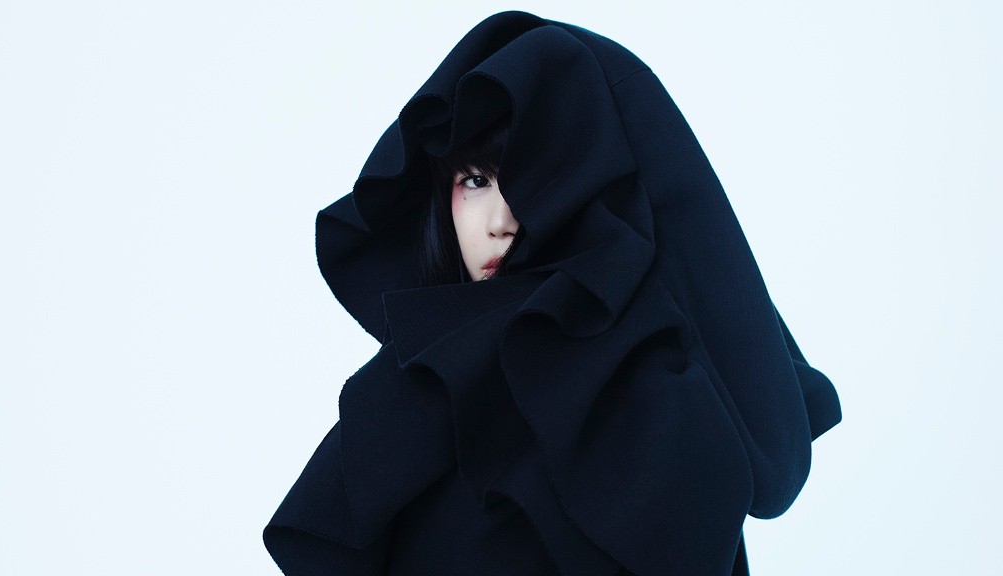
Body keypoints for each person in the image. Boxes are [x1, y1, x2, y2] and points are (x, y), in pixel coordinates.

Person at [263, 11, 841, 576]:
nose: (499, 222)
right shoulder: (409, 388)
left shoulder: (656, 399)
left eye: (535, 183)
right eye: (476, 180)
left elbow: (767, 466)